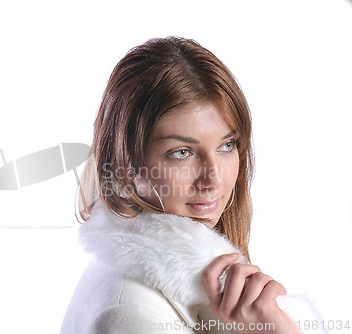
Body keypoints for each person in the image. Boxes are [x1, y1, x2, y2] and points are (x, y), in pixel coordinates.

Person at [60, 37, 324, 334]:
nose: (214, 179)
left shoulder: (178, 286)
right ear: (123, 164)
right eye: (181, 153)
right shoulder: (132, 315)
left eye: (227, 145)